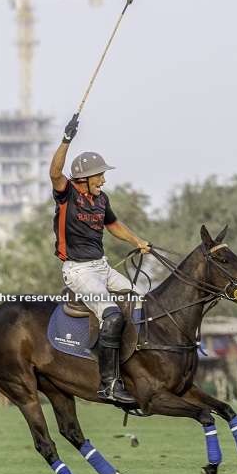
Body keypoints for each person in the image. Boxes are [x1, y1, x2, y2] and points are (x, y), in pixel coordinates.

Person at [49, 114, 151, 403]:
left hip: (102, 267)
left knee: (139, 300)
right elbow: (55, 173)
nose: (104, 179)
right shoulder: (67, 193)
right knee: (112, 314)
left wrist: (138, 241)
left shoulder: (102, 199)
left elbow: (114, 225)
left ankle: (134, 366)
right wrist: (66, 140)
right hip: (79, 271)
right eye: (99, 175)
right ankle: (108, 382)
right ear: (83, 178)